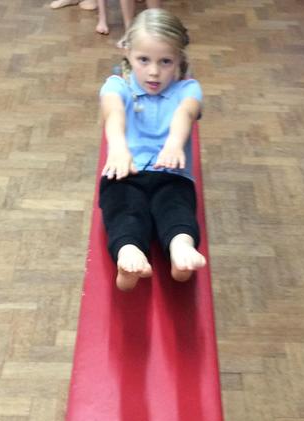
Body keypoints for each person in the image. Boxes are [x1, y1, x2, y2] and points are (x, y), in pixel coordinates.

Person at [99, 8, 206, 291]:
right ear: (127, 53)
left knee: (176, 209)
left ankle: (180, 249)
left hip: (171, 173)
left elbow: (185, 113)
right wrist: (118, 148)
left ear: (179, 59)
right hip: (125, 171)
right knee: (125, 211)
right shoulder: (117, 85)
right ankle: (129, 254)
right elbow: (113, 114)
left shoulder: (188, 89)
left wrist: (173, 144)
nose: (154, 71)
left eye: (165, 61)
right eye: (143, 60)